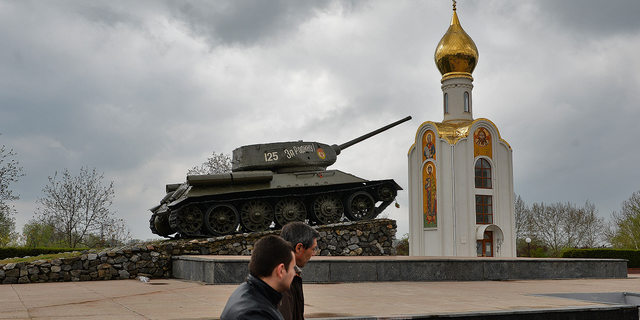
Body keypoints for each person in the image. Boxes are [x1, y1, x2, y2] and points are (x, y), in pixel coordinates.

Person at [220, 235, 296, 320]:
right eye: (293, 268)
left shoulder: (247, 291)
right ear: (280, 270)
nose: (294, 273)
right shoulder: (255, 314)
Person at [278, 222, 320, 320]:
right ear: (299, 248)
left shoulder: (273, 271)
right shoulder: (282, 280)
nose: (313, 254)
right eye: (313, 249)